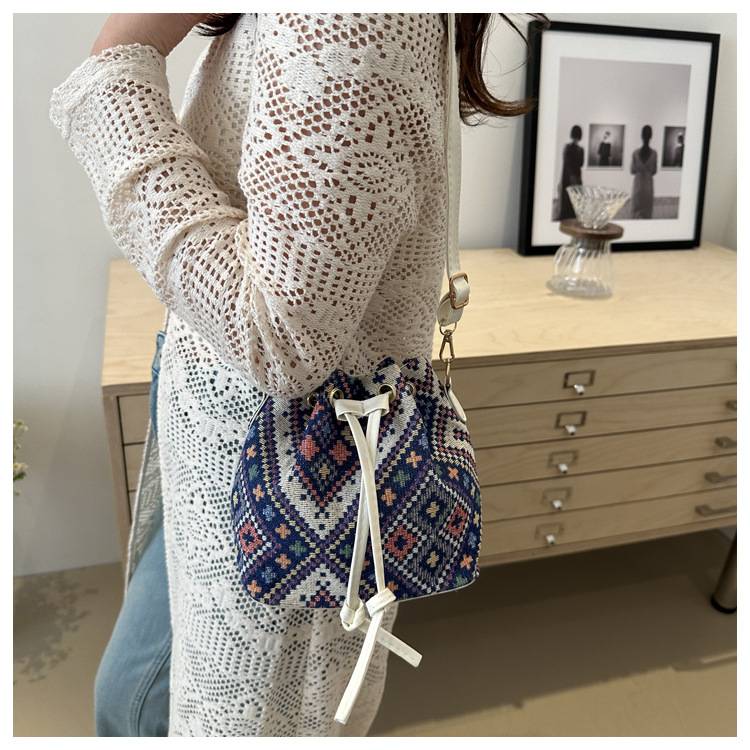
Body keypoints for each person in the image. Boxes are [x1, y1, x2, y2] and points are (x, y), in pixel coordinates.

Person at [50, 12, 546, 737]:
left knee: (157, 709)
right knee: (134, 695)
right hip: (221, 438)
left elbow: (278, 336)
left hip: (277, 463)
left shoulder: (350, 21)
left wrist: (116, 66)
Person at [630, 125, 658, 219]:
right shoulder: (654, 153)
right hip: (648, 184)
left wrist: (640, 170)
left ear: (641, 135)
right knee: (647, 211)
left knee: (635, 211)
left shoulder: (635, 153)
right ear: (651, 136)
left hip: (638, 183)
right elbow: (654, 171)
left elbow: (632, 170)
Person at [558, 124, 584, 220]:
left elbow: (580, 163)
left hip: (572, 176)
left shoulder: (574, 149)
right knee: (570, 195)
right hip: (570, 176)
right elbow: (574, 163)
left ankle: (570, 215)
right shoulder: (573, 148)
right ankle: (568, 215)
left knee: (572, 196)